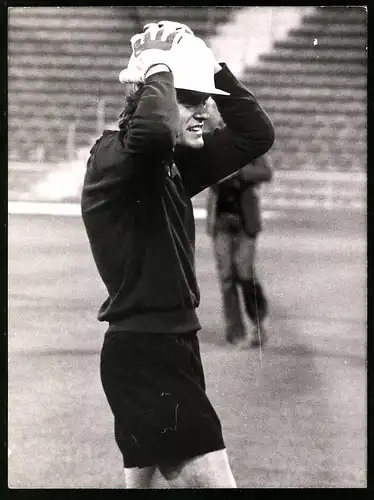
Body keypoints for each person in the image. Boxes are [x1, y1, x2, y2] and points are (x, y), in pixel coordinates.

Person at [81, 20, 274, 489]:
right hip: (148, 352)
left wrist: (214, 69)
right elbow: (149, 131)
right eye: (190, 98)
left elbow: (255, 135)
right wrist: (161, 65)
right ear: (150, 94)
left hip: (171, 344)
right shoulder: (118, 157)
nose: (205, 111)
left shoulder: (166, 166)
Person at [206, 148, 273, 347]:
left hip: (245, 222)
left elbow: (266, 172)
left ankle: (258, 319)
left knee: (244, 272)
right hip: (220, 221)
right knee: (226, 276)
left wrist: (238, 171)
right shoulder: (214, 147)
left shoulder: (249, 146)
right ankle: (235, 331)